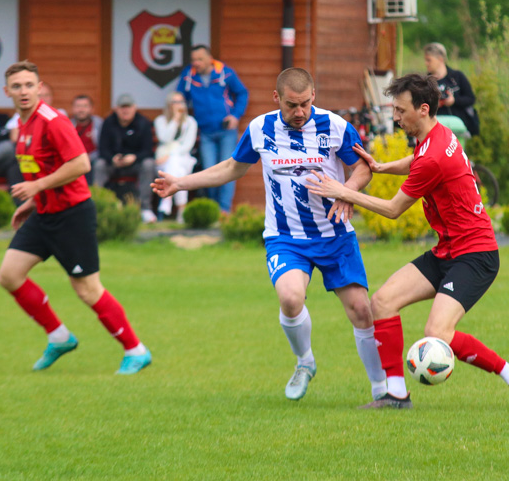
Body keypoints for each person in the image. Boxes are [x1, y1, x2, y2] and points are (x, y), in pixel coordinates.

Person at [305, 73, 509, 410]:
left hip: (475, 255)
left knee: (438, 332)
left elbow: (393, 209)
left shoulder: (435, 155)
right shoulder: (435, 137)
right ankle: (396, 394)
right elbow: (416, 161)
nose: (396, 118)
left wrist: (344, 191)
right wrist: (382, 168)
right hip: (448, 250)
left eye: (400, 111)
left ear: (423, 109)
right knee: (382, 302)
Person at [154, 67, 386, 402]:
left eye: (305, 103)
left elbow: (364, 165)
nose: (300, 112)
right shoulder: (260, 128)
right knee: (290, 299)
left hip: (334, 235)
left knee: (361, 310)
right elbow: (232, 167)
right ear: (276, 98)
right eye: (292, 105)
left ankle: (382, 392)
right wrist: (181, 183)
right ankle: (305, 361)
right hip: (286, 237)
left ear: (313, 96)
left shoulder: (335, 126)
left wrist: (346, 191)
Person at [0, 60, 151, 375]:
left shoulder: (53, 121)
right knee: (9, 275)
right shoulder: (23, 123)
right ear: (7, 92)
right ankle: (59, 337)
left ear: (40, 88)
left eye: (29, 85)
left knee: (86, 289)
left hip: (72, 215)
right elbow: (44, 168)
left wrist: (37, 186)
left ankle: (136, 350)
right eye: (17, 86)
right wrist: (33, 200)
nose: (23, 91)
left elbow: (81, 163)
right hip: (44, 212)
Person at [176, 44, 249, 214]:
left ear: (210, 58)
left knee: (228, 169)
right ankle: (213, 210)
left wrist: (235, 116)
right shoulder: (188, 75)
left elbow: (242, 93)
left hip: (226, 130)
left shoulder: (225, 72)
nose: (196, 63)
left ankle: (224, 210)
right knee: (209, 169)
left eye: (200, 59)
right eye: (193, 60)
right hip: (205, 131)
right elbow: (180, 97)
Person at [95, 94, 157, 223]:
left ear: (135, 108)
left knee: (149, 164)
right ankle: (97, 206)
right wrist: (112, 158)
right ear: (116, 109)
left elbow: (148, 150)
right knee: (99, 164)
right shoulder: (108, 122)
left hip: (135, 163)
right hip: (113, 164)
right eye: (122, 107)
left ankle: (145, 208)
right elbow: (102, 149)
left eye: (128, 107)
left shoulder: (143, 122)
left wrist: (134, 157)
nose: (125, 110)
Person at [154, 91, 197, 222]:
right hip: (164, 162)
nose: (179, 105)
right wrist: (175, 120)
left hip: (183, 158)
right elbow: (165, 138)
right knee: (179, 172)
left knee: (175, 162)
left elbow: (187, 146)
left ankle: (166, 201)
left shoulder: (190, 122)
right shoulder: (160, 121)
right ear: (169, 104)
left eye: (181, 102)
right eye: (175, 102)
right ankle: (181, 210)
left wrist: (170, 154)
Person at [423, 42, 479, 136]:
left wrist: (454, 101)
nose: (426, 63)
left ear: (440, 59)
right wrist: (434, 104)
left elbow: (471, 99)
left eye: (429, 60)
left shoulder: (457, 77)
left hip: (457, 128)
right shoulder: (425, 82)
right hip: (435, 130)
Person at [70, 94, 104, 185]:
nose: (81, 110)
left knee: (100, 164)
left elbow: (104, 147)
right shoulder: (68, 125)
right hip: (74, 160)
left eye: (85, 106)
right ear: (73, 108)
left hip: (94, 159)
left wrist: (89, 157)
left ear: (92, 109)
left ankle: (96, 194)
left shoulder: (100, 124)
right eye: (78, 106)